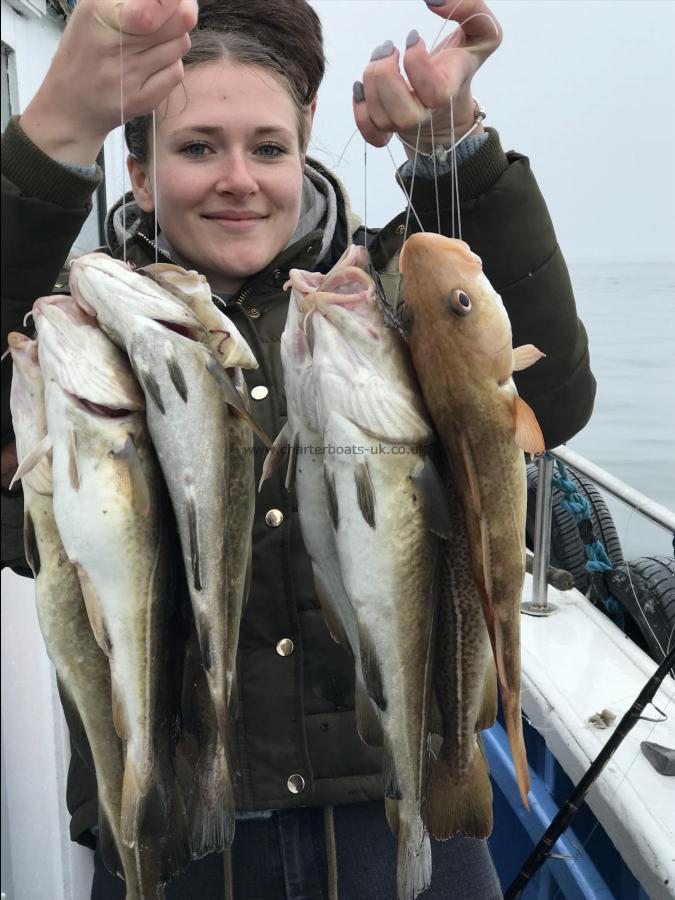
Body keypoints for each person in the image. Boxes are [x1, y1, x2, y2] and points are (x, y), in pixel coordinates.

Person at [0, 0, 596, 897]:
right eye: (198, 146)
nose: (238, 178)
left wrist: (455, 148)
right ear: (136, 168)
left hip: (384, 801)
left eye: (268, 147)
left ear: (308, 139)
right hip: (176, 829)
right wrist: (51, 138)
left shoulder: (391, 298)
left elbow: (546, 395)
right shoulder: (71, 329)